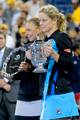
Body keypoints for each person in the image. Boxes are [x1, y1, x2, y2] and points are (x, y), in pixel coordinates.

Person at [39, 4, 77, 119]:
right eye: (40, 20)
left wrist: (53, 54)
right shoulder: (46, 40)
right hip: (48, 93)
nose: (41, 23)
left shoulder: (62, 37)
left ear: (54, 20)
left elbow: (70, 65)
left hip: (60, 95)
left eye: (44, 20)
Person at [14, 17, 45, 120]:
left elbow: (44, 70)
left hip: (41, 98)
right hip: (23, 96)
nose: (26, 33)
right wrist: (20, 69)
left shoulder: (47, 46)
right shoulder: (24, 48)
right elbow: (16, 76)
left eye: (29, 30)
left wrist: (30, 66)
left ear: (39, 29)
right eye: (26, 30)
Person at [0, 30, 20, 120]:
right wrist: (3, 84)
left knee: (14, 118)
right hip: (4, 89)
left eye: (1, 38)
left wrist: (5, 81)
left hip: (11, 93)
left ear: (5, 39)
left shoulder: (13, 52)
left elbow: (15, 68)